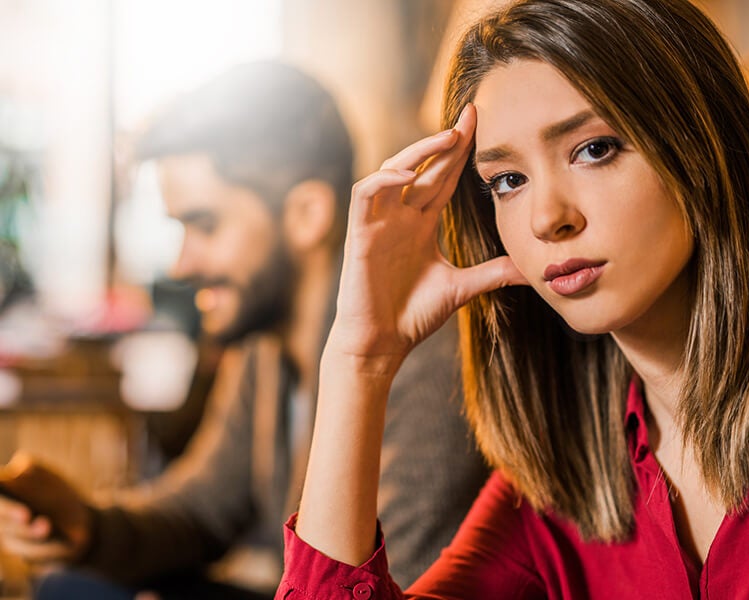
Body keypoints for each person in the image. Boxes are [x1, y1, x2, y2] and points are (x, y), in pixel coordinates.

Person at [277, 0, 749, 597]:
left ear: (703, 144)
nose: (547, 218)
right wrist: (357, 360)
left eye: (594, 149)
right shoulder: (557, 476)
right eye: (508, 181)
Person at [0, 61, 488, 599]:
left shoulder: (420, 358)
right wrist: (85, 526)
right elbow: (203, 508)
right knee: (74, 582)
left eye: (204, 224)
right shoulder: (264, 347)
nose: (183, 264)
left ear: (307, 213)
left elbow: (383, 582)